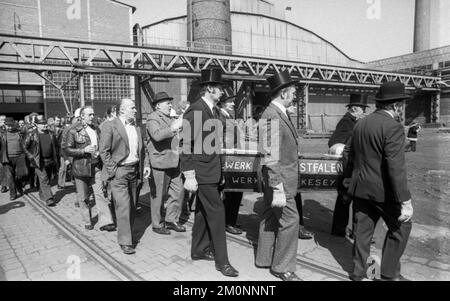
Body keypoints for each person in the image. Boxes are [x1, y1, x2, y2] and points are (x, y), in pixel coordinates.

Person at [344, 81, 413, 281]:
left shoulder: (361, 123)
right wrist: (405, 201)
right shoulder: (393, 127)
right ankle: (389, 273)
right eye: (401, 105)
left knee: (363, 233)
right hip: (383, 191)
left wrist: (349, 177)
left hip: (360, 188)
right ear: (395, 105)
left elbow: (349, 153)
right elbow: (396, 167)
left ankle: (360, 273)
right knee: (401, 228)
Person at [180, 68, 239, 277]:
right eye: (220, 88)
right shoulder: (196, 110)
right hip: (201, 172)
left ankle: (198, 250)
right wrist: (189, 175)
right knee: (217, 213)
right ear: (209, 88)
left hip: (211, 170)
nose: (223, 92)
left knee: (203, 213)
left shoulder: (212, 110)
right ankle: (222, 262)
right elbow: (186, 144)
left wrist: (220, 170)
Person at [255, 70, 301, 281]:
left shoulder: (277, 112)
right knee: (291, 220)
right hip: (280, 178)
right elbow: (271, 157)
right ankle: (281, 267)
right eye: (292, 93)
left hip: (275, 176)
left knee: (269, 216)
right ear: (283, 93)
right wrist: (278, 188)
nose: (295, 96)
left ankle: (264, 259)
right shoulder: (272, 115)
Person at [99, 98, 151, 255]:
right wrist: (113, 169)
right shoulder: (110, 125)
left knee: (133, 206)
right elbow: (104, 150)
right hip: (119, 172)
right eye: (132, 108)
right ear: (122, 110)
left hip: (135, 171)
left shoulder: (136, 128)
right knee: (123, 206)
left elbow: (143, 149)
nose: (136, 110)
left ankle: (127, 233)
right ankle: (125, 241)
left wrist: (146, 165)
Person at [66, 106, 116, 232]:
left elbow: (102, 144)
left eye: (93, 114)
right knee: (83, 197)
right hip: (81, 168)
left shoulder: (96, 129)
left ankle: (106, 221)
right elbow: (67, 149)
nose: (93, 117)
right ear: (82, 116)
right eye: (90, 115)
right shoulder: (73, 130)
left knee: (100, 194)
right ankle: (87, 221)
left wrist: (99, 152)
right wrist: (83, 150)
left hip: (96, 167)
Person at [329, 94, 368, 238]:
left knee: (350, 199)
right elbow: (334, 142)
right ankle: (341, 230)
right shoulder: (346, 122)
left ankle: (352, 232)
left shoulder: (352, 121)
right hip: (347, 166)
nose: (364, 111)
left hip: (351, 165)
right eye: (362, 109)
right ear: (355, 109)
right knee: (346, 199)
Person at [146, 92, 185, 234]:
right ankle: (157, 224)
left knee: (177, 192)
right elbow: (157, 136)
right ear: (157, 106)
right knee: (158, 196)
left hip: (174, 161)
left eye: (170, 102)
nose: (170, 105)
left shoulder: (170, 118)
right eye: (167, 102)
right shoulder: (152, 119)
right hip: (160, 162)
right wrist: (175, 127)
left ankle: (171, 220)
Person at [217, 89, 244, 235]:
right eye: (230, 101)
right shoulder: (220, 117)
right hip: (227, 159)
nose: (233, 103)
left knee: (235, 192)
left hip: (233, 157)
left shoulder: (228, 116)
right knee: (230, 192)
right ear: (222, 103)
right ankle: (227, 222)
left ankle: (230, 220)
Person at [23, 115, 59, 206]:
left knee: (47, 179)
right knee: (44, 179)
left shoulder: (51, 133)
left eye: (45, 123)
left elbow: (56, 146)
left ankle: (42, 193)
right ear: (36, 125)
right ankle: (49, 198)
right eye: (41, 124)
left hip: (50, 160)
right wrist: (31, 157)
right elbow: (24, 146)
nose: (44, 125)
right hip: (38, 161)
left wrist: (56, 158)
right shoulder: (31, 134)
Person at [0, 118, 28, 200]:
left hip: (19, 157)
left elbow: (26, 139)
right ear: (5, 125)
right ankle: (13, 194)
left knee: (23, 174)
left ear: (14, 124)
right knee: (10, 177)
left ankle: (19, 185)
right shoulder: (2, 134)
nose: (10, 127)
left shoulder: (20, 132)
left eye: (11, 125)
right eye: (8, 126)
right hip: (6, 158)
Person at [0, 115, 8, 193]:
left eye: (4, 119)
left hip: (9, 152)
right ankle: (3, 185)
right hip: (1, 153)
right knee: (1, 169)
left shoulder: (8, 128)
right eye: (1, 120)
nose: (3, 121)